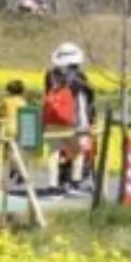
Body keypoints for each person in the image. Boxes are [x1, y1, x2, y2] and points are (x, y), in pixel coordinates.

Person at [43, 44, 97, 194]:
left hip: (52, 122)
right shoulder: (79, 79)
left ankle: (53, 185)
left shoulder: (50, 76)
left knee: (53, 154)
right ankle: (74, 182)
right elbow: (86, 101)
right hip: (71, 123)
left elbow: (47, 96)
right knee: (78, 152)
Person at [0, 80, 28, 188]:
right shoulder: (23, 102)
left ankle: (16, 171)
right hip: (20, 128)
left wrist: (1, 114)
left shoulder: (6, 101)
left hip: (7, 128)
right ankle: (14, 171)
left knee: (7, 153)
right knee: (15, 151)